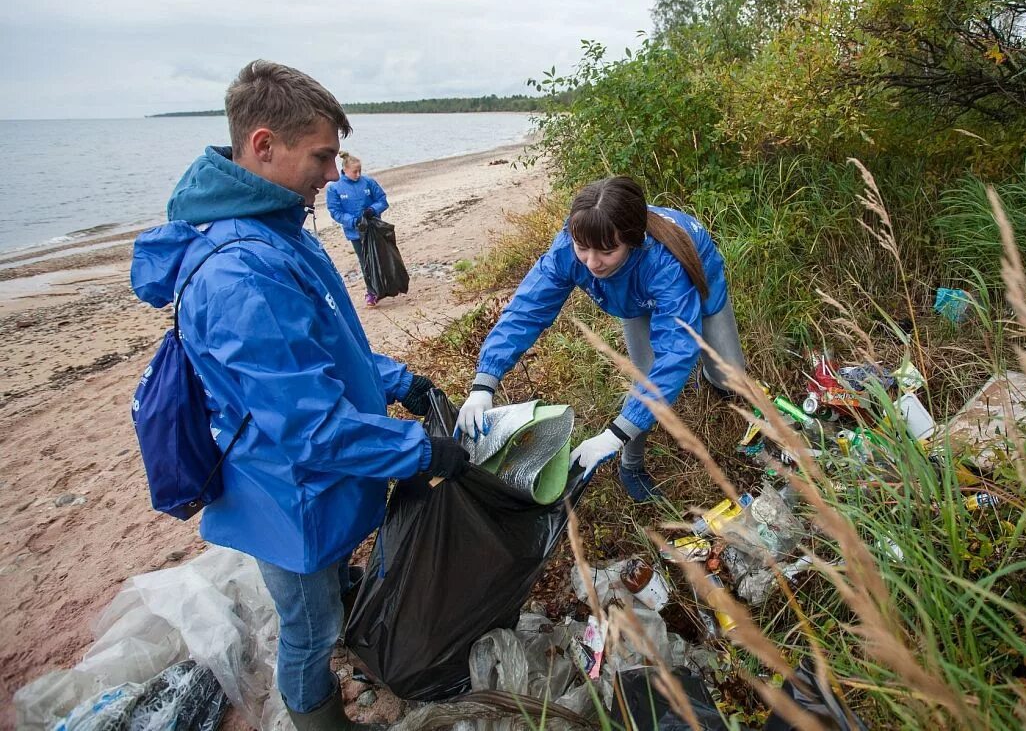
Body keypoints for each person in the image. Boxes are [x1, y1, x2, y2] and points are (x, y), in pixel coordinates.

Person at [130, 60, 470, 731]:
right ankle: (322, 720)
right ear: (263, 144)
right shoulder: (240, 271)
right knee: (308, 632)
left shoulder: (277, 228)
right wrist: (419, 448)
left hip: (314, 484)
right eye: (320, 156)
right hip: (288, 495)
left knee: (326, 601)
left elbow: (325, 347)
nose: (327, 170)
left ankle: (346, 646)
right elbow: (310, 427)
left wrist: (404, 381)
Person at [454, 175, 746, 502]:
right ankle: (631, 465)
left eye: (606, 251)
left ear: (633, 240)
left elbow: (677, 351)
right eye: (583, 249)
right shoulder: (570, 245)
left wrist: (613, 433)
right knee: (645, 377)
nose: (592, 263)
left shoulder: (665, 263)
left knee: (730, 376)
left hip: (696, 275)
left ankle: (712, 380)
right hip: (635, 299)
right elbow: (526, 310)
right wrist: (484, 383)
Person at [326, 152, 390, 308]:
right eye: (355, 171)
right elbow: (335, 211)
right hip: (355, 232)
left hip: (373, 228)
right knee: (365, 262)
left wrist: (372, 210)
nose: (358, 174)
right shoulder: (335, 188)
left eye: (360, 170)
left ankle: (386, 285)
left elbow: (382, 200)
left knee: (380, 258)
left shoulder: (368, 182)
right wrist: (353, 221)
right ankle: (372, 292)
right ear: (345, 170)